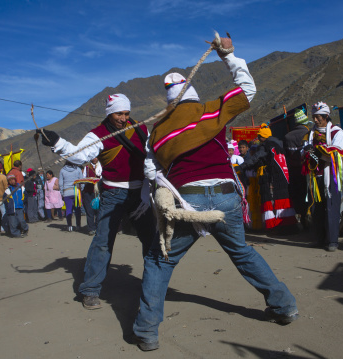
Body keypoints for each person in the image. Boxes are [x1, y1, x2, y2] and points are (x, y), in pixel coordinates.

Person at [131, 36, 298, 351]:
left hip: (187, 200)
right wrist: (229, 56)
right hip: (226, 197)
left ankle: (147, 331)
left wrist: (162, 192)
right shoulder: (211, 111)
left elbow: (152, 172)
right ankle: (284, 305)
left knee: (158, 260)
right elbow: (248, 90)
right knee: (242, 252)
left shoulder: (158, 130)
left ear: (169, 100)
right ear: (192, 95)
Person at [39, 93, 157, 310]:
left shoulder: (141, 128)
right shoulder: (98, 135)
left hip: (141, 195)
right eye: (118, 114)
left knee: (151, 241)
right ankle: (90, 290)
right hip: (113, 195)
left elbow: (152, 152)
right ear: (109, 113)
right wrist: (57, 142)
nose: (123, 118)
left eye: (126, 113)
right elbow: (79, 155)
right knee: (103, 243)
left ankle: (153, 286)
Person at [302, 102, 343, 251]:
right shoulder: (310, 134)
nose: (315, 120)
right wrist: (307, 151)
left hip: (330, 175)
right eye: (314, 117)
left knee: (331, 207)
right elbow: (305, 151)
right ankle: (320, 239)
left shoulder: (337, 132)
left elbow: (337, 150)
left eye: (318, 117)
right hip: (315, 176)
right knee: (317, 208)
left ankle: (333, 240)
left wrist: (319, 150)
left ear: (326, 116)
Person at [238, 124, 297, 229]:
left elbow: (256, 157)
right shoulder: (280, 144)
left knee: (273, 199)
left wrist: (241, 167)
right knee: (283, 199)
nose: (259, 139)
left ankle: (277, 226)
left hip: (272, 177)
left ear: (262, 137)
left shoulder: (266, 146)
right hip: (283, 176)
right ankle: (288, 225)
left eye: (259, 136)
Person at [284, 109, 310, 230]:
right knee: (307, 195)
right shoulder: (308, 134)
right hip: (307, 171)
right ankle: (308, 220)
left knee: (297, 196)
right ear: (304, 122)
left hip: (293, 171)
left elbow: (286, 156)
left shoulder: (287, 136)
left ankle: (299, 219)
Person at [59, 161, 83, 232]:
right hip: (76, 192)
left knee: (68, 210)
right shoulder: (78, 169)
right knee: (77, 210)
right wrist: (81, 190)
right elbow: (81, 181)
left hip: (67, 192)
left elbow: (61, 183)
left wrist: (62, 193)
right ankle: (78, 226)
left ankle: (69, 226)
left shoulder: (62, 170)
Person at [82, 158, 102, 235]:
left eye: (96, 157)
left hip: (98, 192)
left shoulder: (101, 167)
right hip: (88, 191)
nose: (95, 158)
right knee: (89, 211)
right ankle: (91, 228)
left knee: (98, 210)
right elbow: (84, 179)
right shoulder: (86, 168)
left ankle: (98, 227)